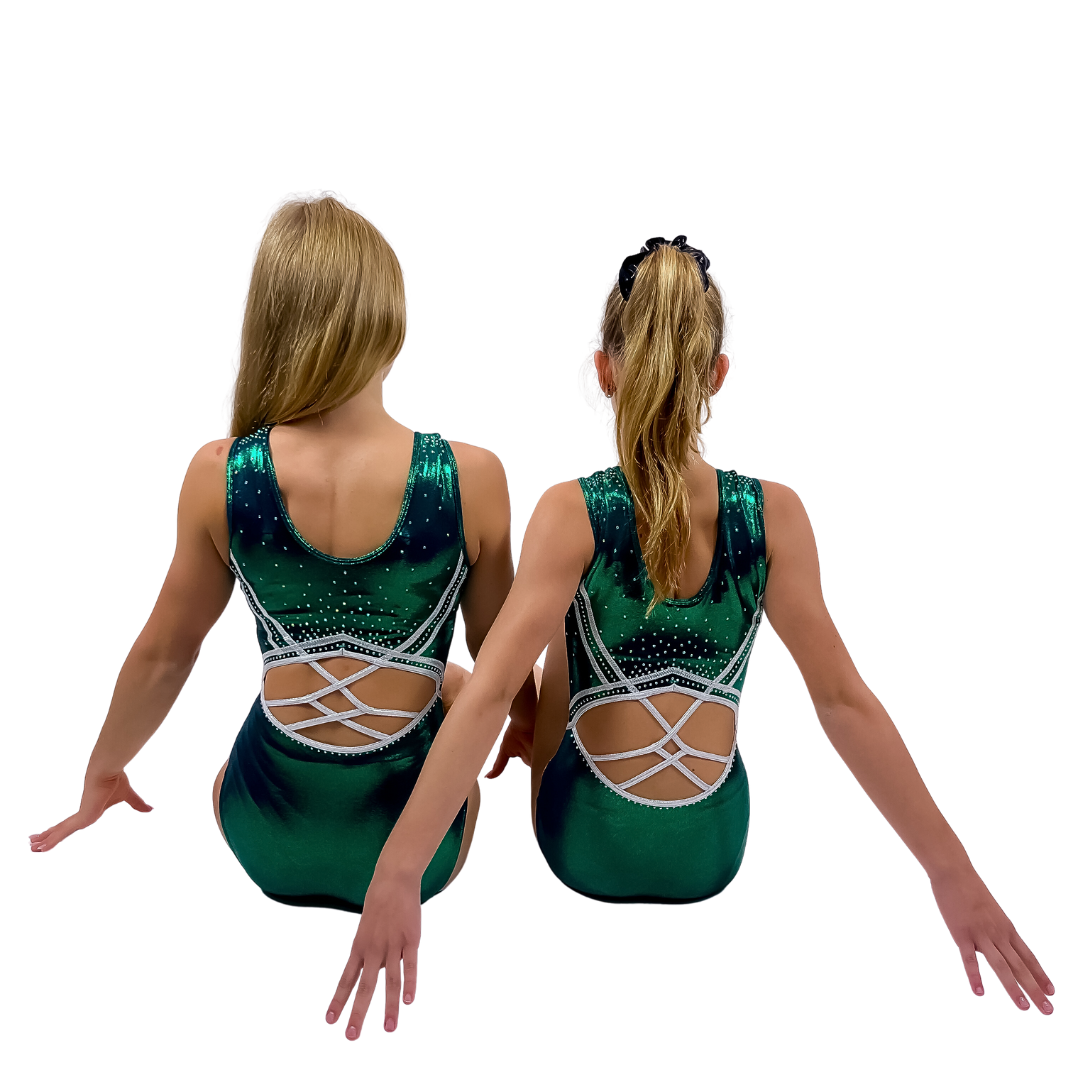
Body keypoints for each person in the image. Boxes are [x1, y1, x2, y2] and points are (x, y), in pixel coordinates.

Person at [328, 236, 1055, 1038]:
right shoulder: (774, 515)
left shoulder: (571, 512)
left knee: (539, 639)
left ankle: (566, 730)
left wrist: (399, 870)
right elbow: (844, 702)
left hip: (584, 846)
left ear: (605, 371)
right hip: (713, 850)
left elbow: (495, 688)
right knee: (618, 627)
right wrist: (952, 872)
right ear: (717, 374)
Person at [29, 196, 534, 926]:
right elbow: (500, 661)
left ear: (269, 324)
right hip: (415, 848)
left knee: (267, 741)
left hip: (262, 833)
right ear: (390, 322)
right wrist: (528, 720)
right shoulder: (470, 477)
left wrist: (102, 771)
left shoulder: (222, 474)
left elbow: (164, 654)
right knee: (452, 685)